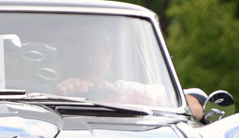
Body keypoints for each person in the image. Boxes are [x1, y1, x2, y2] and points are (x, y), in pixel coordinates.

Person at [54, 29, 206, 121]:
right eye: (79, 54)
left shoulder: (128, 90)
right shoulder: (44, 95)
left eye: (96, 53)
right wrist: (60, 95)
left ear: (109, 57)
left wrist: (147, 102)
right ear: (63, 59)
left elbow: (195, 106)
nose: (89, 61)